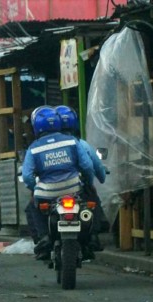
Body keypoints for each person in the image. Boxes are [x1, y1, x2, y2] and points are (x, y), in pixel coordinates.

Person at [21, 106, 95, 260]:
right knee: (86, 207)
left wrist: (34, 187)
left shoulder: (34, 148)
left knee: (35, 208)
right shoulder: (72, 141)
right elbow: (87, 166)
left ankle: (44, 237)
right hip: (74, 188)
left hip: (47, 193)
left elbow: (27, 176)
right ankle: (89, 239)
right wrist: (87, 181)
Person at [56, 105, 108, 252]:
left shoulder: (49, 146)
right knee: (93, 202)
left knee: (34, 206)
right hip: (79, 188)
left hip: (52, 190)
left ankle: (43, 238)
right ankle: (92, 236)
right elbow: (91, 167)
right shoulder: (81, 144)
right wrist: (91, 182)